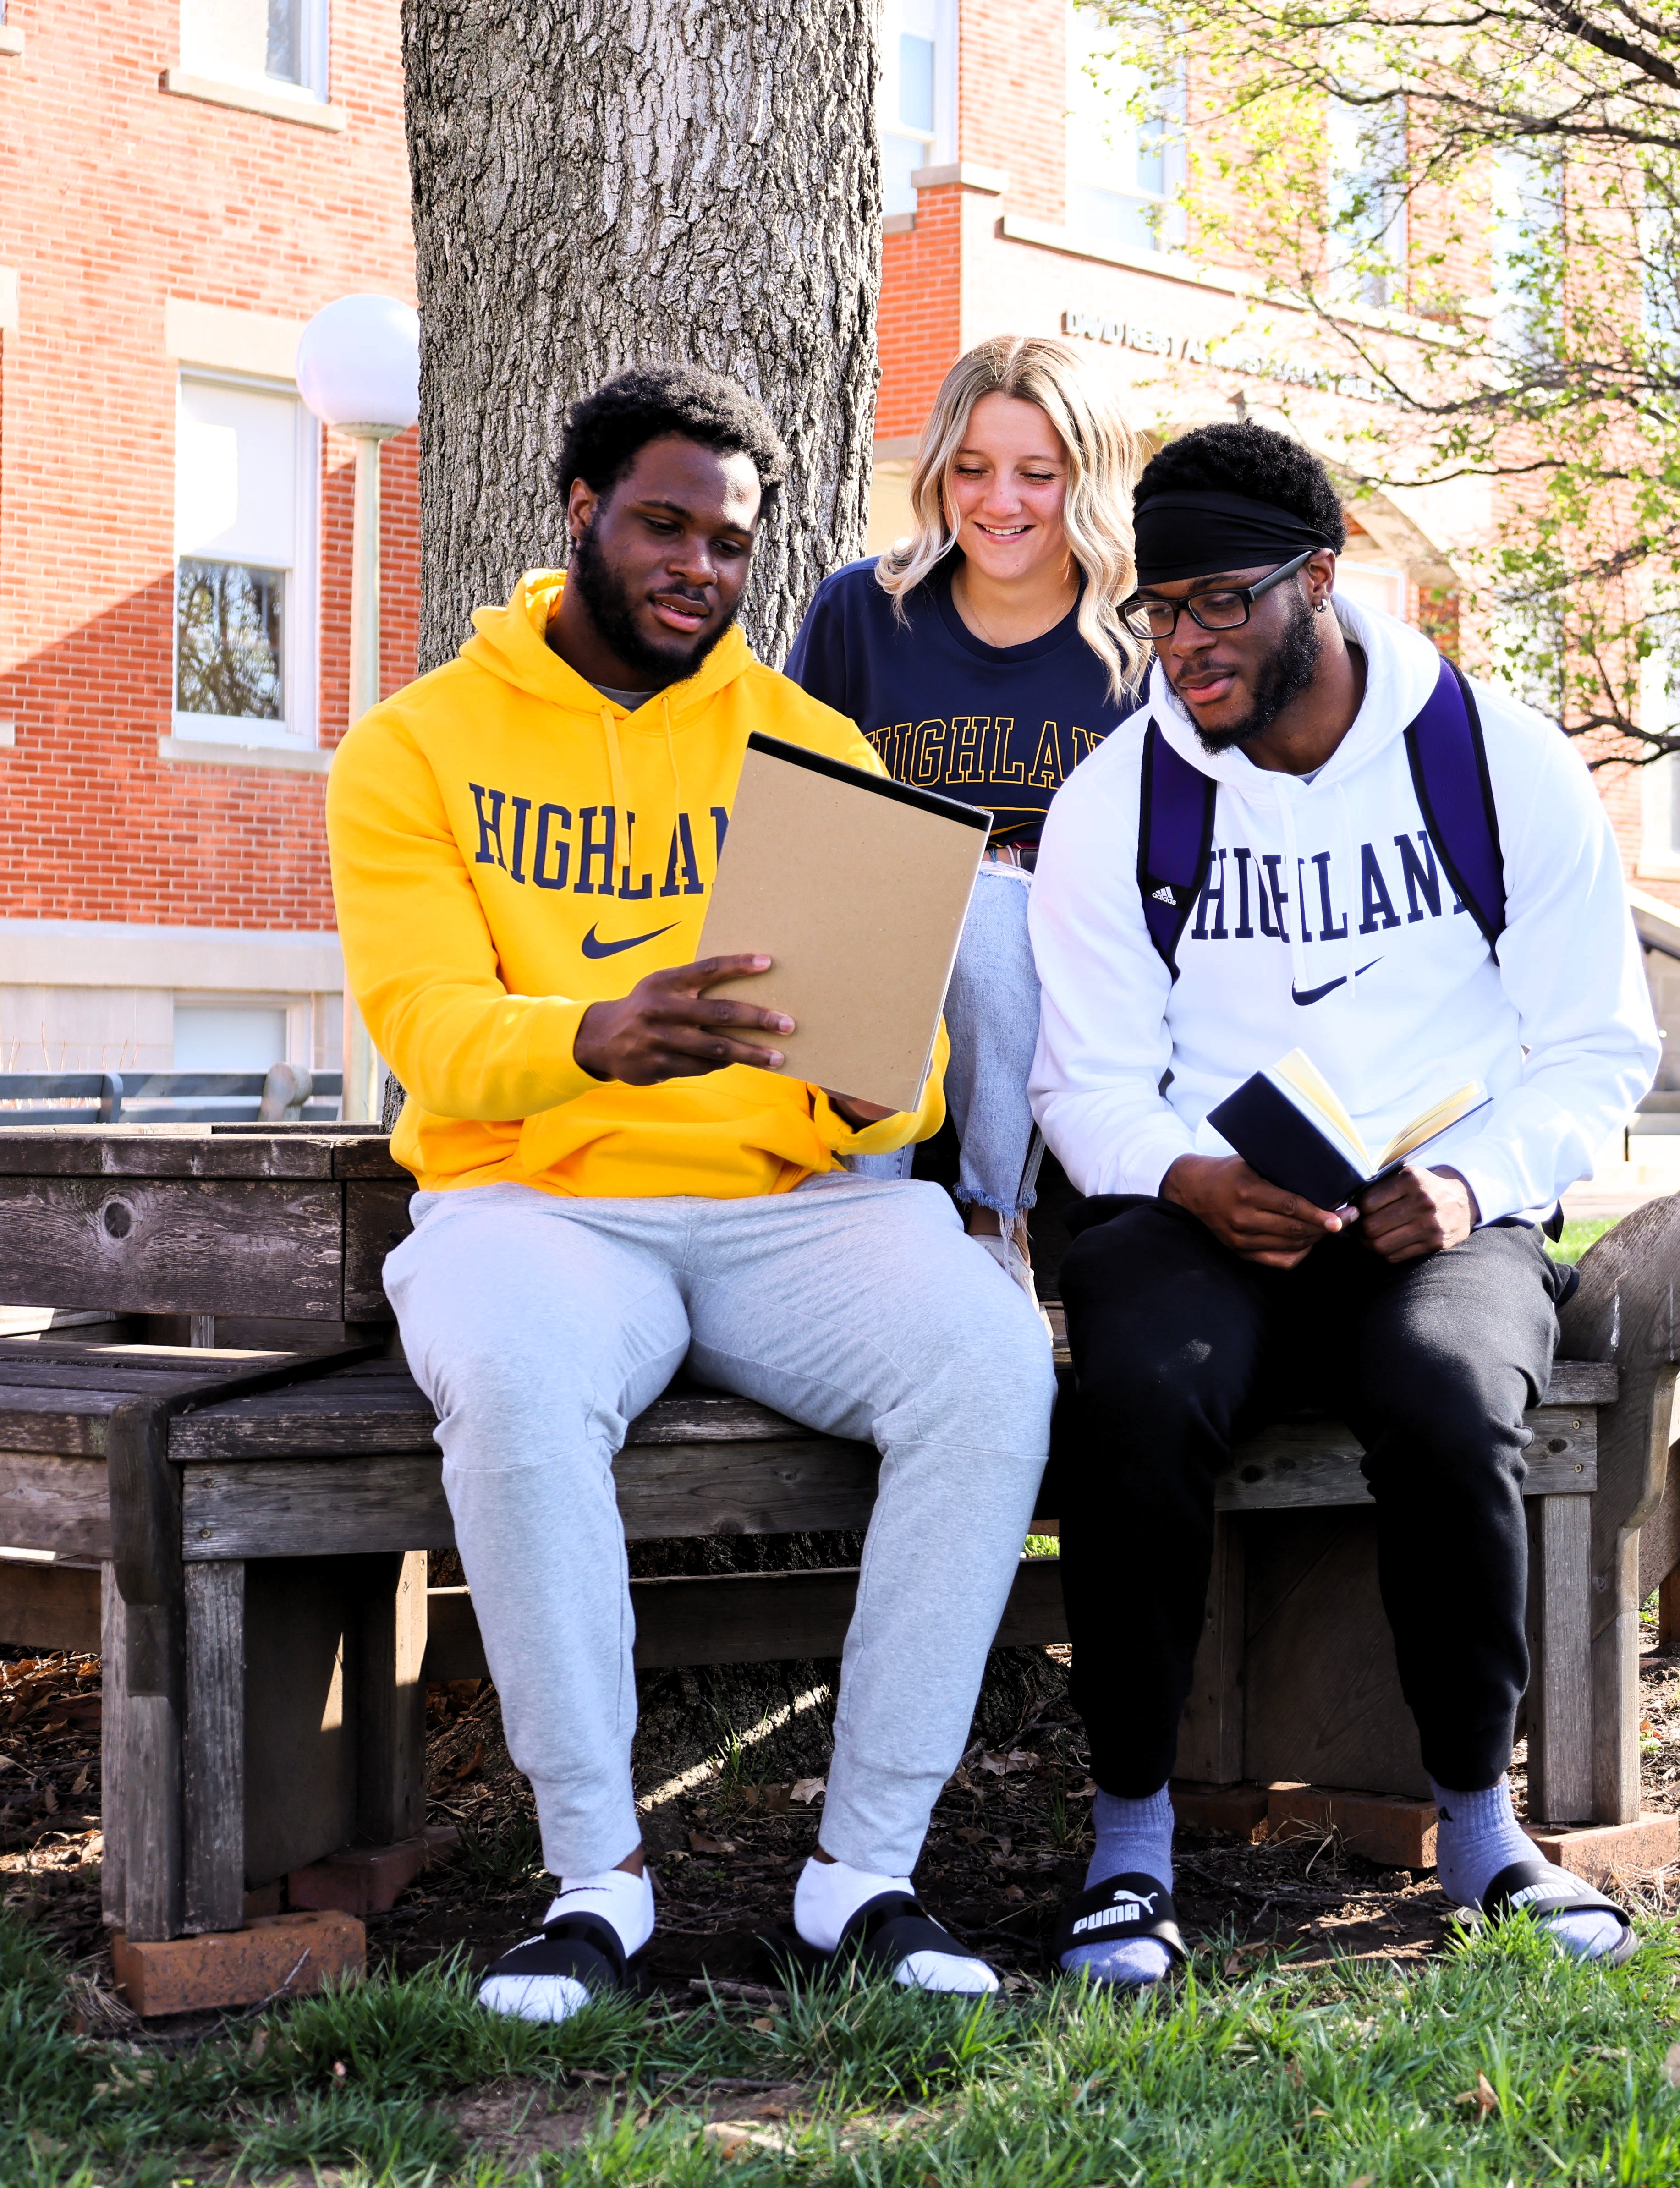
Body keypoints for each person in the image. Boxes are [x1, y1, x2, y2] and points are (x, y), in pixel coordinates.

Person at [327, 363, 1054, 2020]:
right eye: (663, 525)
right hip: (539, 1206)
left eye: (728, 544)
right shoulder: (418, 747)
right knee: (510, 1383)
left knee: (989, 1362)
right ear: (579, 513)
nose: (698, 570)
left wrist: (894, 1081)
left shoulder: (808, 742)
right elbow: (425, 1028)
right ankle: (597, 1877)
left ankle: (863, 1866)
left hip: (792, 1210)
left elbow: (901, 1068)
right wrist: (597, 1033)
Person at [1027, 422, 1663, 1985]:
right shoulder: (1123, 799)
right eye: (1155, 610)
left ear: (1320, 578)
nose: (1183, 645)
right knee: (1134, 1399)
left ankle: (1479, 1820)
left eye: (1218, 603)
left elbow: (1598, 1046)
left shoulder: (1493, 761)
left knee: (1449, 1399)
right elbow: (1079, 1079)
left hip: (1435, 1209)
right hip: (1201, 1209)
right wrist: (1188, 1177)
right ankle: (1127, 1847)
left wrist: (1466, 1183)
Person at [784, 336, 1147, 1279]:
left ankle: (997, 1223)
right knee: (944, 902)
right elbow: (798, 826)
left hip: (1061, 979)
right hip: (872, 967)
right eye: (973, 469)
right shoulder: (862, 610)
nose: (999, 502)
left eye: (1038, 473)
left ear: (1090, 478)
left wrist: (1013, 882)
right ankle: (858, 1208)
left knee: (995, 911)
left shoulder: (1143, 647)